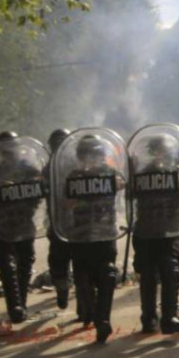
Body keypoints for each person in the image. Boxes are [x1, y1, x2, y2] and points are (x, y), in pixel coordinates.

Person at [57, 133, 126, 343]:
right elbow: (65, 204)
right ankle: (90, 313)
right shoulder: (74, 176)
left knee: (107, 277)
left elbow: (123, 184)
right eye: (86, 155)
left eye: (95, 155)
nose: (91, 159)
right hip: (81, 236)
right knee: (83, 279)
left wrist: (107, 180)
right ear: (80, 156)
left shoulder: (110, 173)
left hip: (105, 235)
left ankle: (102, 320)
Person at [130, 133, 179, 334]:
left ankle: (169, 317)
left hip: (170, 230)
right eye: (158, 151)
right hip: (146, 230)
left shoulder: (177, 173)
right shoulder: (141, 173)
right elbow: (130, 196)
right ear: (152, 153)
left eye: (164, 151)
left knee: (171, 273)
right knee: (148, 276)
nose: (161, 155)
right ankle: (148, 318)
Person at [0, 131, 43, 324]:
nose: (7, 153)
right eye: (3, 149)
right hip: (1, 223)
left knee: (25, 263)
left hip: (23, 222)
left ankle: (22, 303)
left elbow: (40, 188)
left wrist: (24, 187)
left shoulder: (28, 168)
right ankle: (15, 306)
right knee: (5, 264)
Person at [45, 128, 74, 312]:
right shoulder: (73, 165)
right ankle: (64, 288)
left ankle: (64, 287)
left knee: (59, 259)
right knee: (60, 259)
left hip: (69, 222)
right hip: (64, 222)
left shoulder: (49, 167)